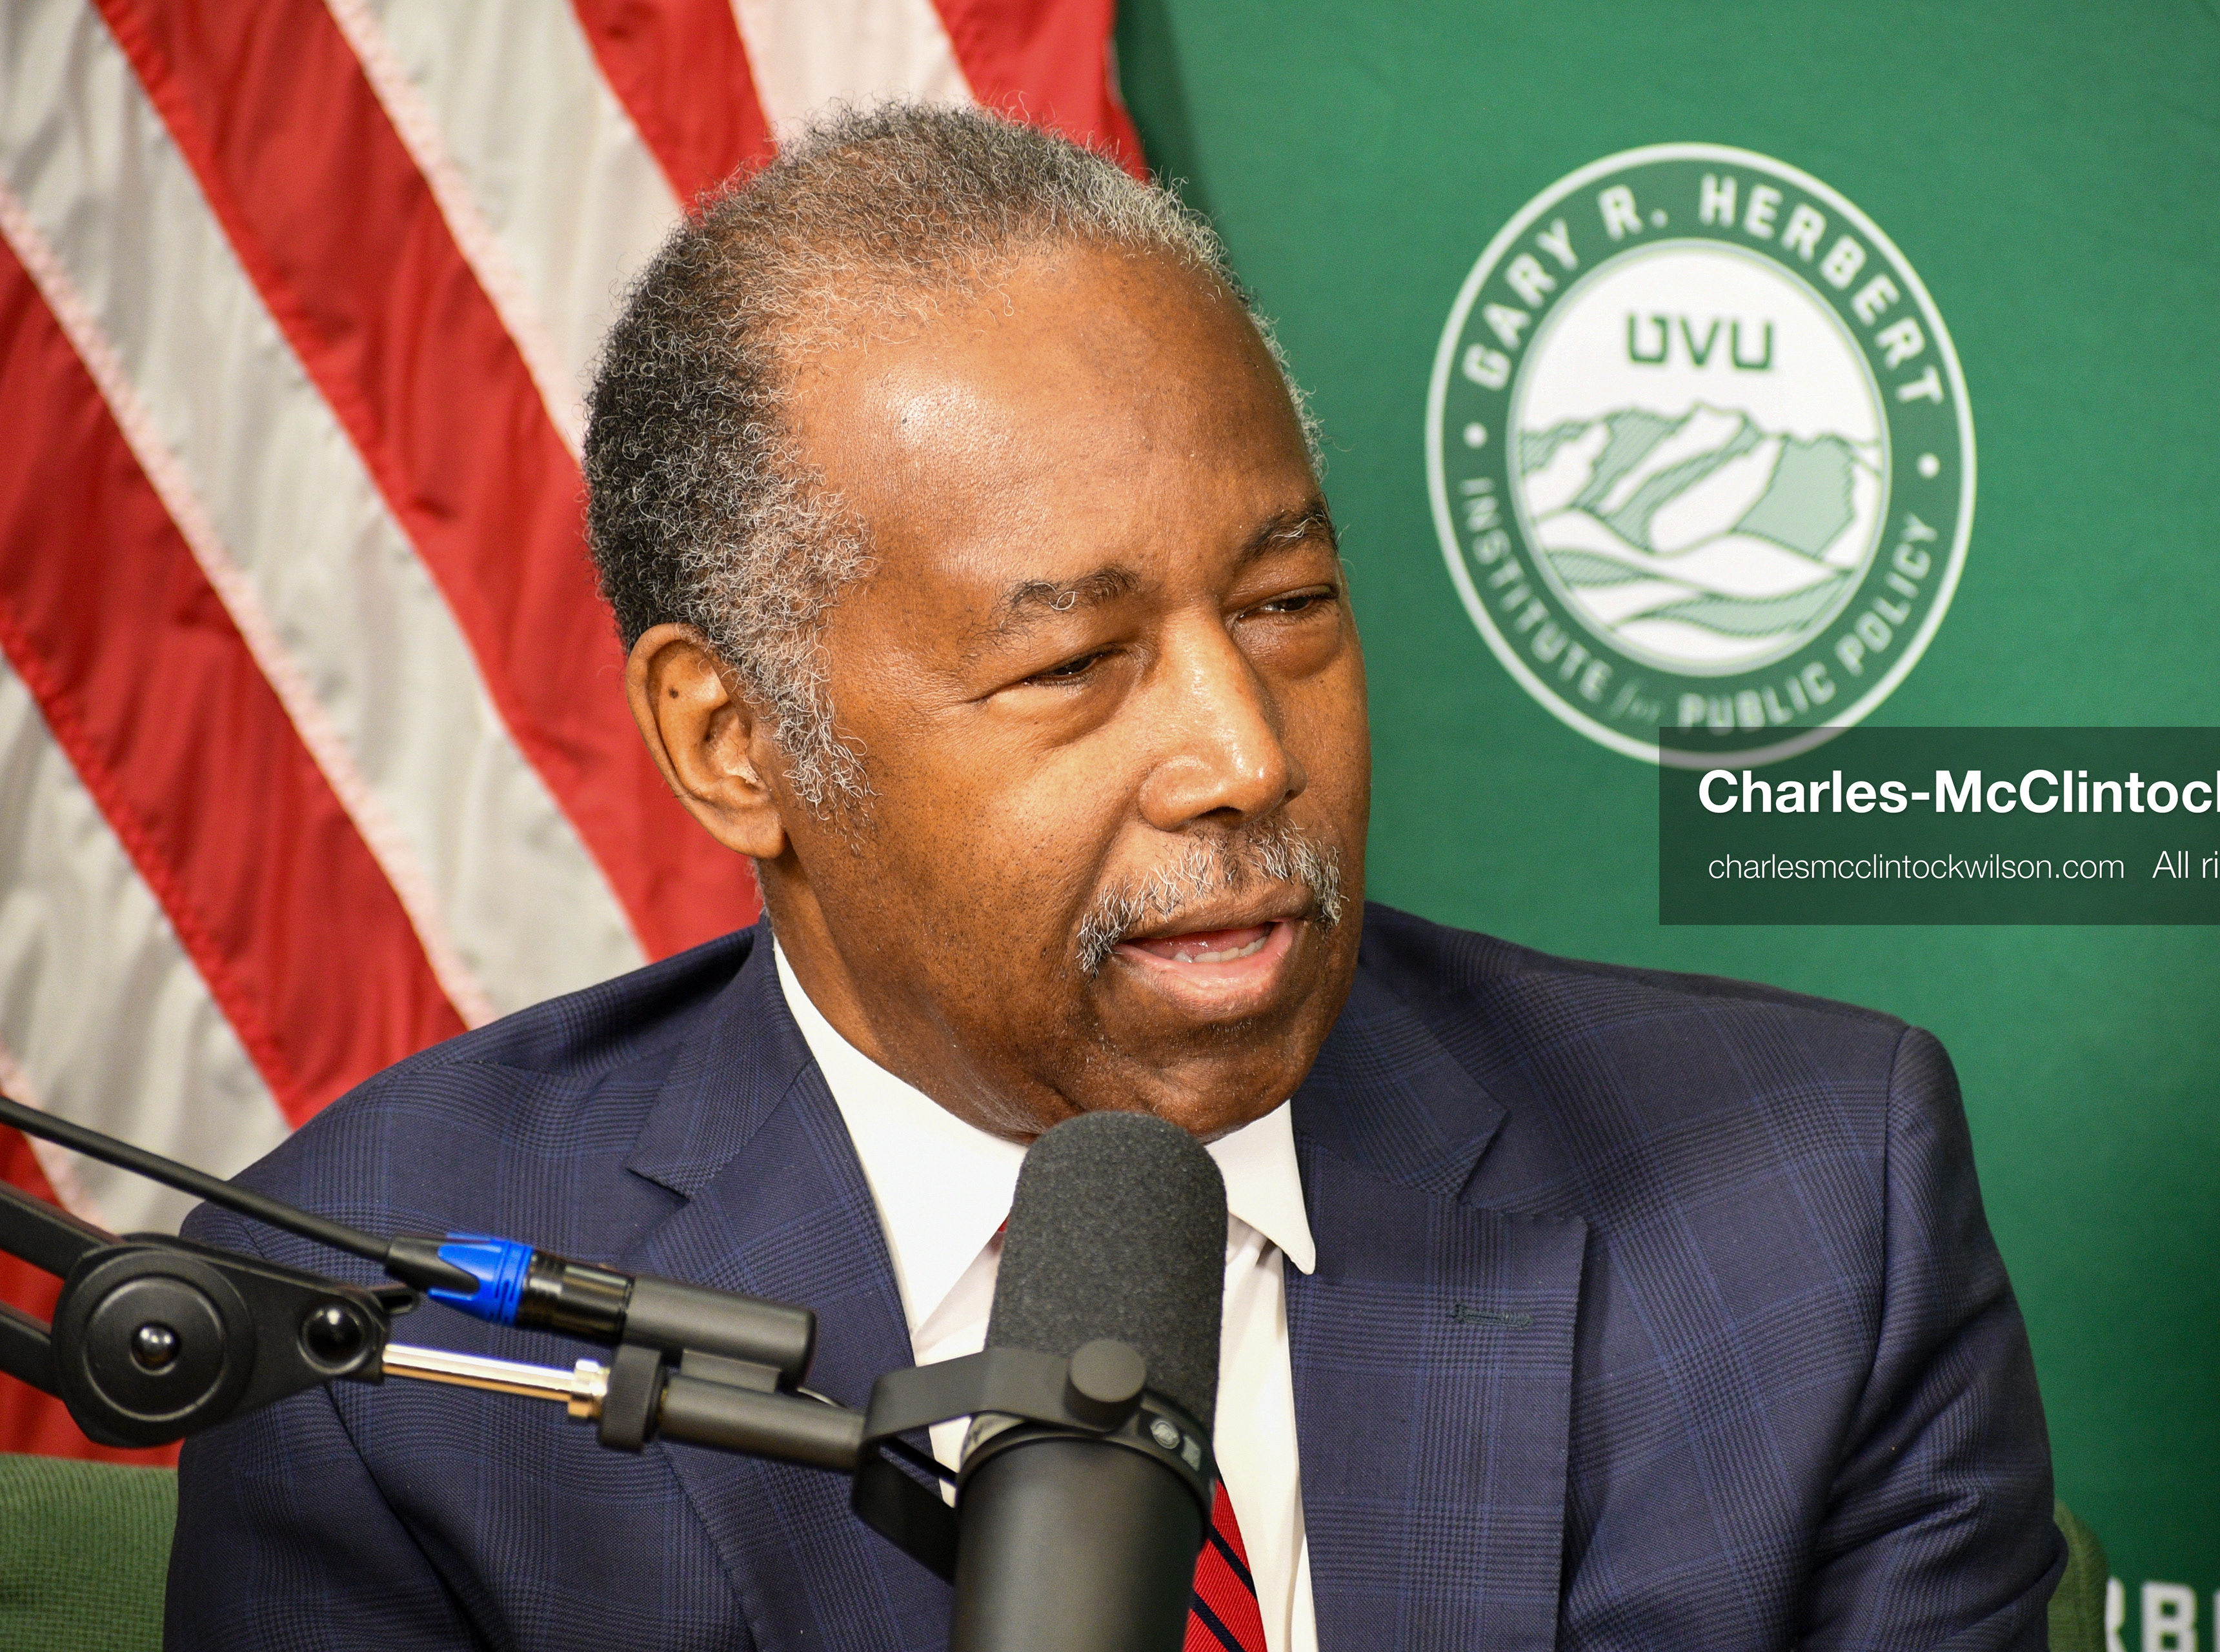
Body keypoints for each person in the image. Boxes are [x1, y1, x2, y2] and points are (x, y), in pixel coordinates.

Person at [166, 104, 2061, 1650]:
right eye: (1075, 662)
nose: (1247, 756)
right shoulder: (384, 1326)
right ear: (735, 744)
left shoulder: (1811, 1209)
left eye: (1289, 604)